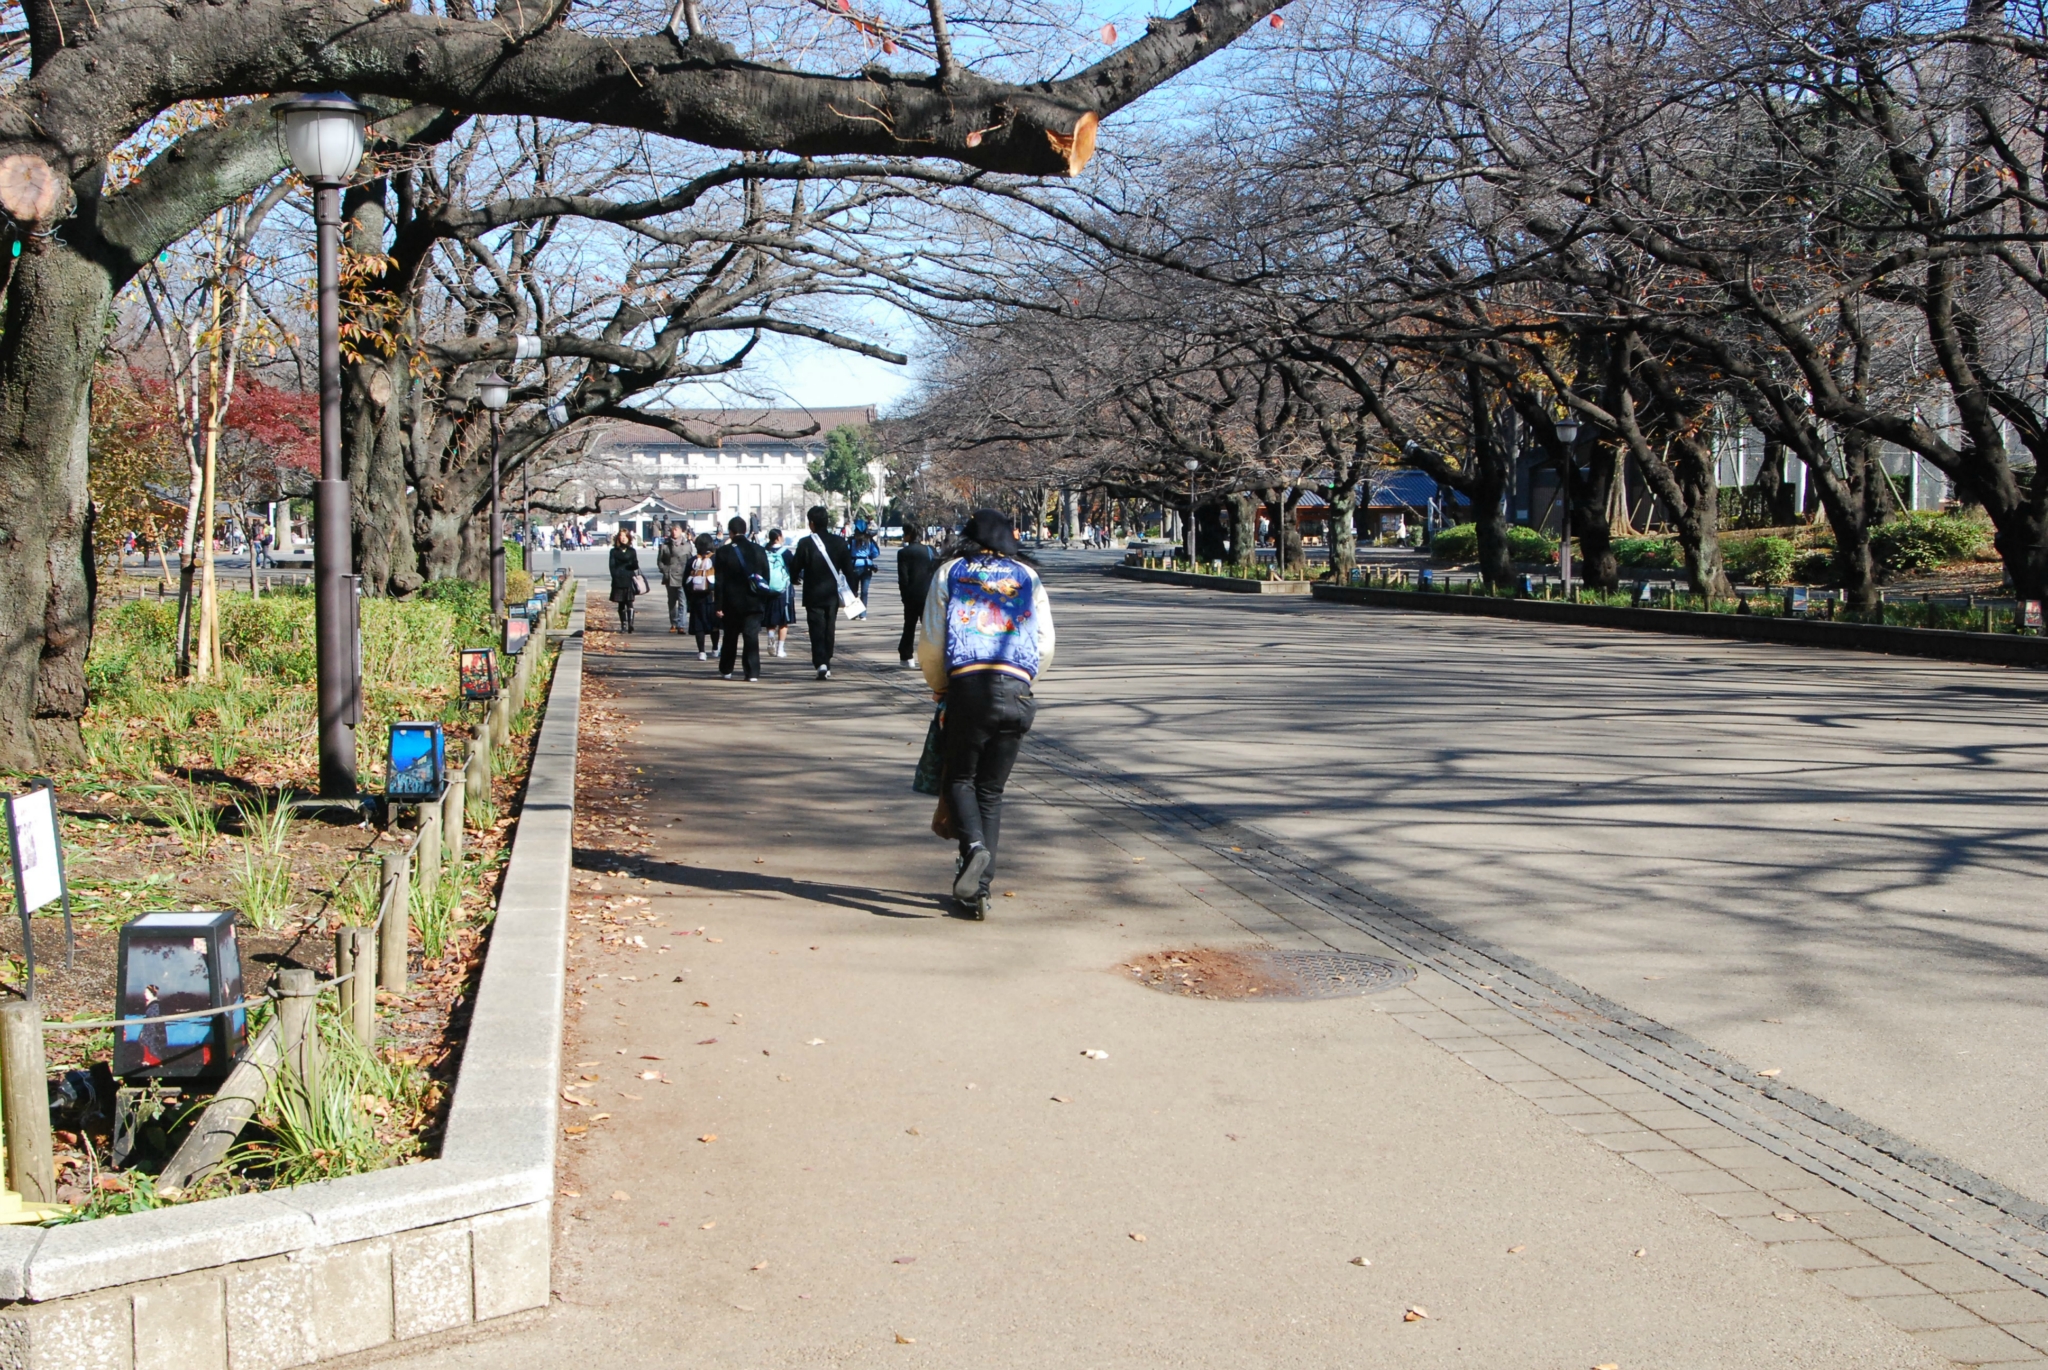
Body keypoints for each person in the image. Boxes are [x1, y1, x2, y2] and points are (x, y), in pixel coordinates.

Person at [919, 509, 1055, 920]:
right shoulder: (1028, 577)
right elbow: (1045, 642)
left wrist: (939, 684)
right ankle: (979, 888)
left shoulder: (950, 572)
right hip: (1017, 691)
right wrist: (1027, 677)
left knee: (960, 778)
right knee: (991, 791)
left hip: (968, 688)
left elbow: (931, 640)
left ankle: (974, 851)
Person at [788, 505, 860, 680]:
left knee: (816, 628)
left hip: (813, 592)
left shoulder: (806, 543)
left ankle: (820, 661)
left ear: (811, 523)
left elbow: (795, 566)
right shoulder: (839, 542)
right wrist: (853, 592)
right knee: (829, 627)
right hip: (832, 594)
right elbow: (849, 570)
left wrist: (794, 578)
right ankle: (826, 661)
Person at [713, 516, 773, 681]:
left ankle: (726, 669)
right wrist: (763, 599)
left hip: (731, 602)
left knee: (730, 636)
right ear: (746, 531)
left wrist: (718, 604)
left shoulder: (723, 552)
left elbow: (719, 581)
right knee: (751, 637)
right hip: (754, 601)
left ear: (730, 532)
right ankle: (752, 672)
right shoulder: (759, 550)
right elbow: (765, 577)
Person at [895, 524, 939, 668]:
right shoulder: (931, 550)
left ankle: (907, 657)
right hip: (930, 594)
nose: (903, 536)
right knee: (929, 628)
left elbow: (903, 578)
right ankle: (930, 658)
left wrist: (904, 597)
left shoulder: (903, 553)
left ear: (909, 535)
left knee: (909, 626)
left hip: (912, 596)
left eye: (904, 533)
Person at [685, 534, 720, 658]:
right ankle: (715, 649)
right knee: (714, 625)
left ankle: (701, 652)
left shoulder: (693, 561)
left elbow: (685, 581)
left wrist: (689, 599)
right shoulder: (716, 559)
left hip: (696, 598)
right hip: (713, 597)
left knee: (699, 625)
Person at [763, 528, 794, 658]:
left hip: (767, 589)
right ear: (779, 537)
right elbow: (793, 569)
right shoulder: (786, 553)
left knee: (770, 619)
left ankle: (771, 641)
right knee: (783, 621)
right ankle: (780, 649)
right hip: (783, 590)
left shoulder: (764, 552)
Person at [657, 525, 692, 634]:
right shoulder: (665, 545)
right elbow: (660, 561)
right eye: (672, 530)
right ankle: (674, 623)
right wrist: (665, 570)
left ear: (681, 531)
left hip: (682, 577)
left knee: (683, 602)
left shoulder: (687, 545)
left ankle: (681, 625)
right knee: (672, 602)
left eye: (676, 530)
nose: (674, 532)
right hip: (670, 576)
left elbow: (690, 561)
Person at [608, 528, 642, 632]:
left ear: (628, 538)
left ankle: (631, 624)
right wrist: (615, 576)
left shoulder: (632, 551)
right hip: (618, 579)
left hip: (629, 579)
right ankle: (624, 624)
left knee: (630, 602)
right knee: (621, 603)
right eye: (621, 536)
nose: (623, 538)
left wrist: (634, 564)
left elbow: (635, 565)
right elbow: (611, 566)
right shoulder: (614, 551)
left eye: (625, 536)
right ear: (618, 538)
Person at [848, 517, 882, 607]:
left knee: (854, 590)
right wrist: (868, 556)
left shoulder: (851, 540)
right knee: (864, 591)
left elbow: (846, 552)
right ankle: (863, 614)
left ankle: (854, 611)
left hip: (853, 567)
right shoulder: (869, 540)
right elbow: (876, 553)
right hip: (867, 567)